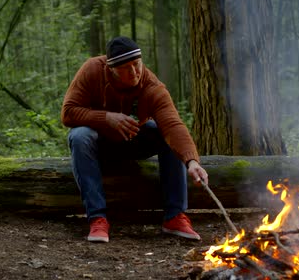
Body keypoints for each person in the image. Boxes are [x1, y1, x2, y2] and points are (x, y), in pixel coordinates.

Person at [61, 36, 209, 243]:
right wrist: (107, 118)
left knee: (161, 131)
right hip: (99, 146)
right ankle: (98, 218)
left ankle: (175, 216)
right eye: (126, 68)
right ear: (111, 69)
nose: (134, 72)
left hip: (133, 142)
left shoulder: (151, 85)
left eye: (136, 64)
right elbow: (68, 113)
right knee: (79, 135)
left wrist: (191, 161)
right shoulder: (92, 70)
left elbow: (173, 125)